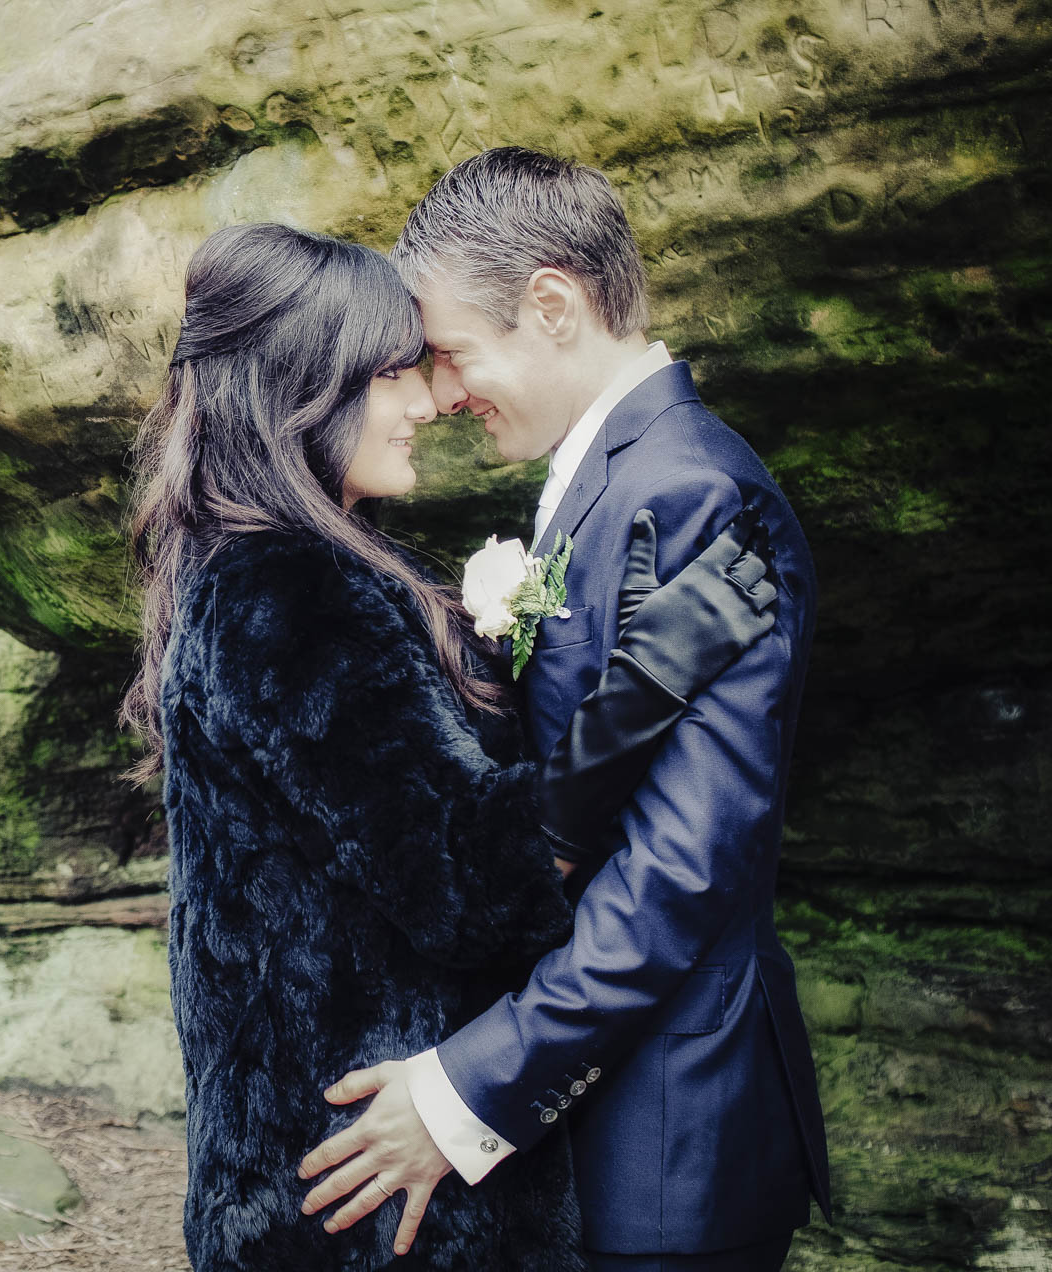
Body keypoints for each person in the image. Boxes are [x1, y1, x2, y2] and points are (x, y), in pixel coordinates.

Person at [121, 222, 779, 1271]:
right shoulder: (286, 588)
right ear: (304, 389)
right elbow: (462, 883)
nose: (428, 400)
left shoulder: (280, 569)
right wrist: (650, 681)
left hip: (345, 1180)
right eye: (393, 373)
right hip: (375, 1199)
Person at [298, 148, 831, 1272]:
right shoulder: (606, 479)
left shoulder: (687, 489)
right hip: (606, 1123)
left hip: (668, 1142)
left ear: (551, 305)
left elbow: (680, 872)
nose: (444, 394)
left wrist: (467, 1090)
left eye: (452, 353)